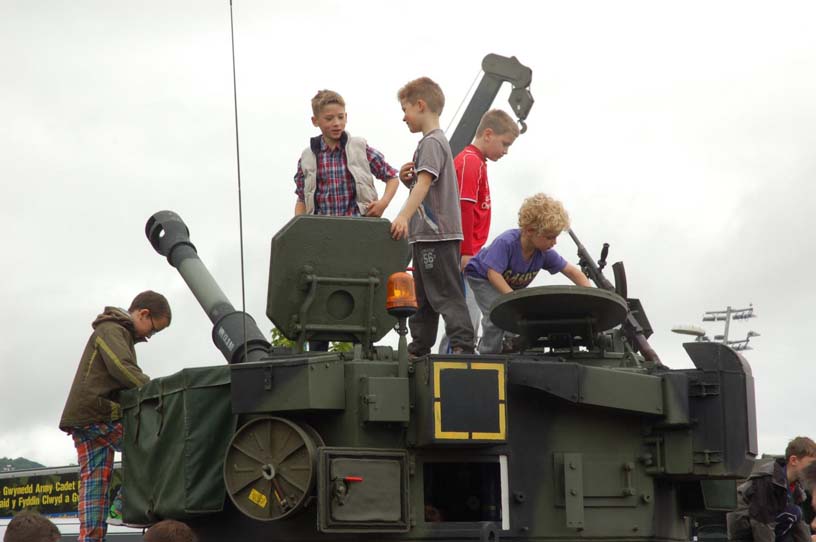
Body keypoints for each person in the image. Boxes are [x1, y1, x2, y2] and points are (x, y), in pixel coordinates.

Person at [59, 291, 171, 542]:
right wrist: (156, 392)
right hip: (98, 414)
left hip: (86, 417)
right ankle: (122, 503)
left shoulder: (115, 332)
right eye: (153, 330)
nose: (150, 337)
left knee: (94, 486)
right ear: (143, 314)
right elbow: (124, 369)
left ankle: (91, 538)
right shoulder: (112, 330)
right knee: (154, 445)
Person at [293, 89, 399, 352]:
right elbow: (301, 198)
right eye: (329, 118)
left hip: (357, 234)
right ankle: (316, 356)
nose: (336, 123)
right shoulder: (308, 158)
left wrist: (383, 203)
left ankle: (363, 354)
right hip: (324, 238)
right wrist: (299, 227)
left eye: (340, 117)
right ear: (316, 121)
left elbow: (392, 177)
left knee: (361, 294)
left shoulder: (359, 148)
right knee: (320, 296)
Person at [391, 76, 475, 355]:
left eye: (405, 110)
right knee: (424, 297)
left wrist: (403, 216)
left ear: (421, 105)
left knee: (445, 294)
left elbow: (426, 184)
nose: (404, 118)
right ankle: (420, 347)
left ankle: (462, 345)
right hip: (427, 237)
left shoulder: (432, 143)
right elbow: (426, 188)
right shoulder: (433, 144)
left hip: (437, 236)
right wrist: (409, 182)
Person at [464, 193, 590, 354]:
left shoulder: (543, 252)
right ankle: (489, 355)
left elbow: (572, 271)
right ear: (530, 230)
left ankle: (511, 348)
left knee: (517, 317)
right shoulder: (507, 243)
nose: (554, 242)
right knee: (496, 314)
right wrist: (513, 300)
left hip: (505, 283)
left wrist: (589, 296)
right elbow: (493, 273)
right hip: (482, 277)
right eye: (550, 237)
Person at [438, 109, 519, 353]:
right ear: (487, 134)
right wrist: (466, 252)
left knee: (468, 320)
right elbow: (463, 208)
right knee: (464, 321)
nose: (505, 151)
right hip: (464, 254)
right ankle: (451, 367)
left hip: (470, 252)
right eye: (504, 144)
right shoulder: (470, 162)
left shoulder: (478, 162)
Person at [727, 436, 816, 542]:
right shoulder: (767, 481)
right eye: (812, 463)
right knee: (792, 511)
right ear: (794, 460)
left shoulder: (796, 489)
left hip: (770, 528)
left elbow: (800, 525)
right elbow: (762, 523)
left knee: (795, 512)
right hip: (747, 533)